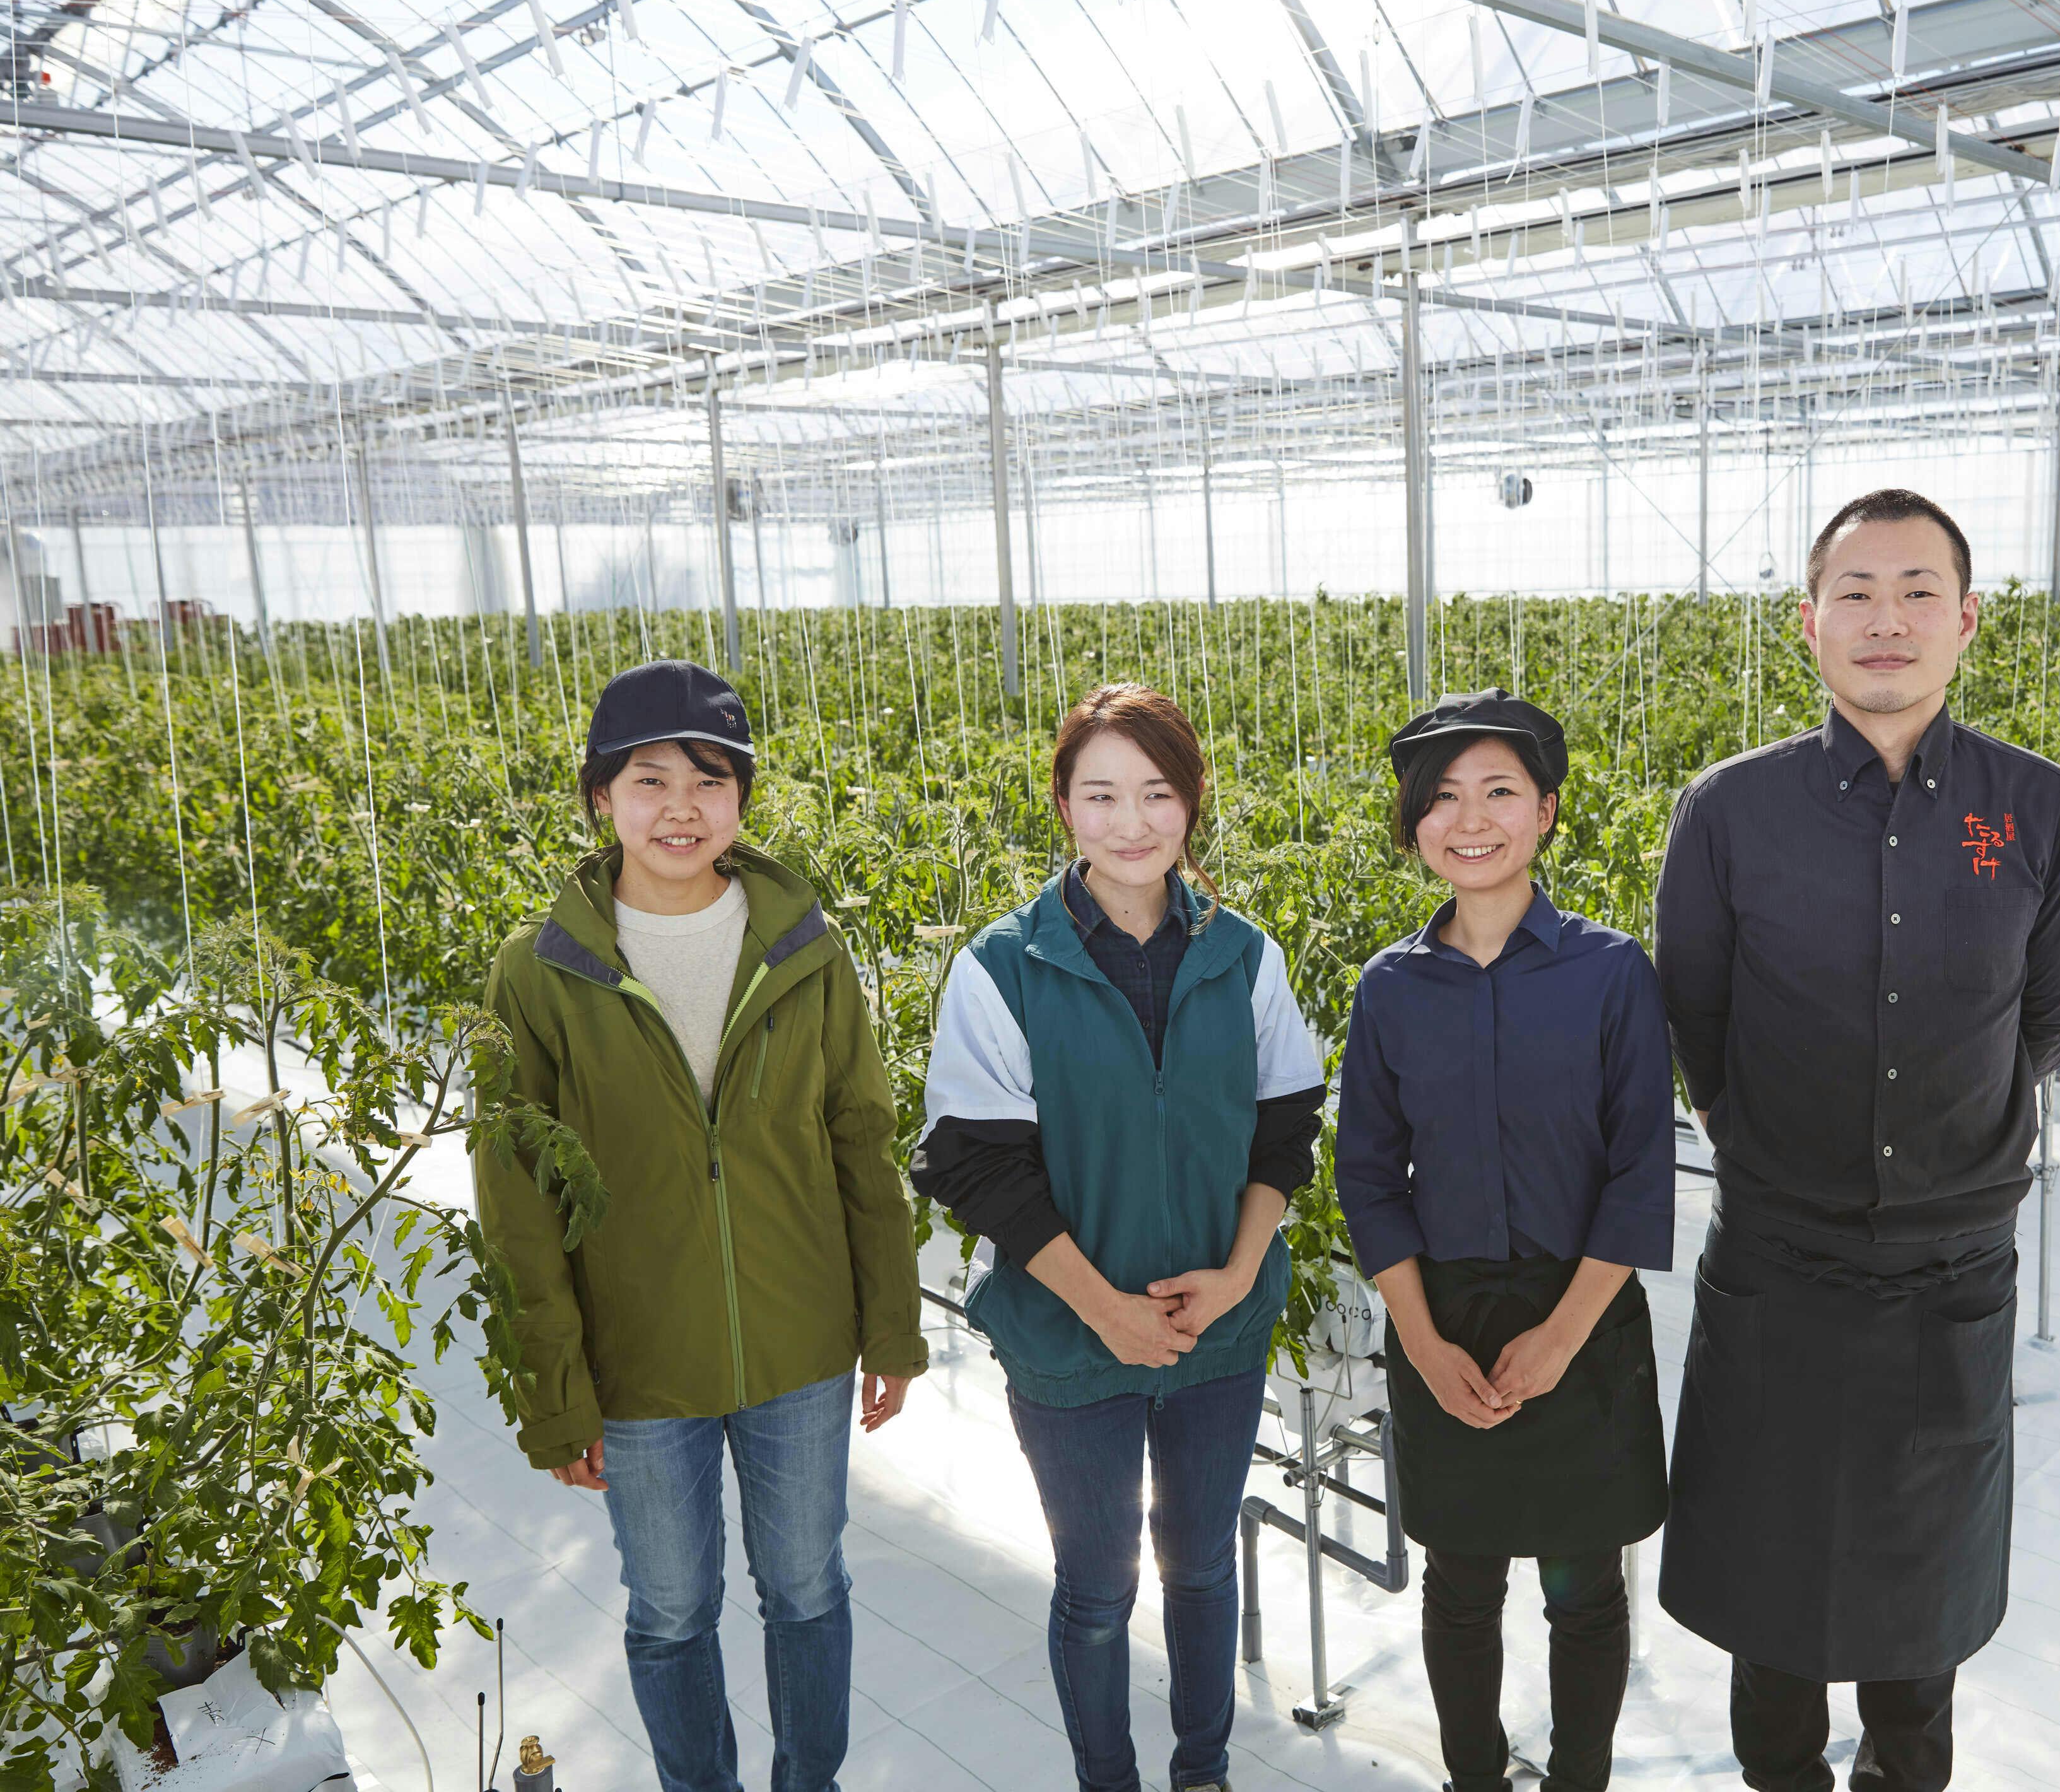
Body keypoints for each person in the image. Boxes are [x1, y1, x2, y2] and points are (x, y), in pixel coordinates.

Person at [1653, 491, 2060, 1791]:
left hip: (1950, 1265)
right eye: (1856, 593)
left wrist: (1947, 1143)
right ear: (1810, 623)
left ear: (1968, 620)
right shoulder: (1731, 810)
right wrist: (1769, 1142)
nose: (1886, 619)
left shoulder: (2039, 810)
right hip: (1780, 1259)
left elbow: (2045, 1018)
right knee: (1773, 1590)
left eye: (1917, 591)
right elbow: (1698, 1013)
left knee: (1923, 1604)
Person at [476, 659, 927, 1792]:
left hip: (799, 1347)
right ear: (601, 798)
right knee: (672, 1608)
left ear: (740, 800)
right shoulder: (539, 972)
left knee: (807, 1590)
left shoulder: (806, 948)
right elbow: (515, 1200)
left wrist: (893, 1324)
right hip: (637, 1364)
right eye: (650, 780)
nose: (681, 807)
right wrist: (555, 1389)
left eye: (710, 780)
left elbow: (862, 1140)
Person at [912, 683, 1326, 1792]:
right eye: (1100, 795)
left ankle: (1204, 1771)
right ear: (1063, 806)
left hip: (1217, 1333)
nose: (1130, 822)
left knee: (1201, 1567)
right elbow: (974, 1163)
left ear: (1191, 802)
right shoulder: (1004, 967)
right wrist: (1104, 1311)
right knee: (1098, 1587)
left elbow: (1287, 1127)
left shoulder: (1246, 957)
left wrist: (1237, 1274)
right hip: (1068, 1339)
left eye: (1155, 793)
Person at [1335, 689, 1675, 1792]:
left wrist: (1562, 1339)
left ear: (1547, 812)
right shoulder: (1390, 988)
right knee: (1461, 1586)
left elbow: (1640, 1171)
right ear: (1414, 823)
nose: (1469, 819)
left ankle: (1581, 1780)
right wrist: (1422, 1342)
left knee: (1586, 1592)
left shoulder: (1611, 971)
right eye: (1441, 798)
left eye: (1498, 792)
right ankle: (1473, 1778)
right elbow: (1368, 1175)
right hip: (1445, 1318)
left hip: (1582, 1319)